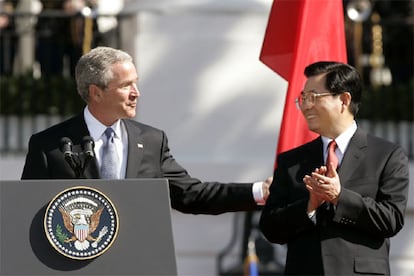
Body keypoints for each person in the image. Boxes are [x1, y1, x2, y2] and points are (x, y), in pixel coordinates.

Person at [21, 46, 272, 215]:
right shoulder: (50, 146)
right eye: (126, 85)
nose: (136, 93)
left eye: (136, 83)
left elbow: (193, 195)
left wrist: (259, 191)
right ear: (96, 92)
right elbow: (28, 213)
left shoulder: (151, 141)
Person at [259, 61, 409, 275]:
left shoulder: (387, 155)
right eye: (303, 98)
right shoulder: (291, 161)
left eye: (313, 97)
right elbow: (270, 228)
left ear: (344, 100)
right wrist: (309, 206)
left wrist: (340, 197)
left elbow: (391, 219)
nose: (306, 105)